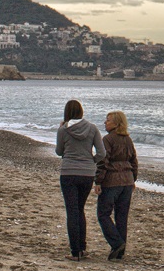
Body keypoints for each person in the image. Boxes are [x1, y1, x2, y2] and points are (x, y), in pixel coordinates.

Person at [56, 99, 106, 261]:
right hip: (87, 173)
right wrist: (91, 161)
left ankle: (75, 251)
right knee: (80, 209)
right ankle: (82, 248)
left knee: (72, 211)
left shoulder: (63, 129)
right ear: (81, 111)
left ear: (67, 112)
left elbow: (59, 151)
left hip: (69, 172)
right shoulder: (92, 128)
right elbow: (102, 153)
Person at [94, 110, 138, 261]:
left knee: (103, 214)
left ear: (116, 123)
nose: (105, 122)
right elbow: (134, 161)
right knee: (121, 216)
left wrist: (98, 181)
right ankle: (119, 251)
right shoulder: (128, 140)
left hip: (112, 181)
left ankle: (117, 243)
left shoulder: (108, 139)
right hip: (127, 181)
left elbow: (103, 162)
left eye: (108, 120)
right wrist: (133, 180)